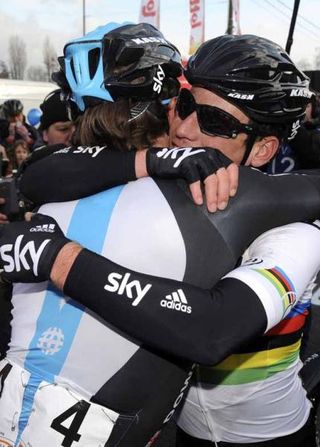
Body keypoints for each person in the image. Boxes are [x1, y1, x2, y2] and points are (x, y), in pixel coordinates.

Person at [1, 29, 320, 447]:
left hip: (267, 437)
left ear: (262, 150)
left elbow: (214, 330)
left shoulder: (293, 232)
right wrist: (152, 158)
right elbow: (42, 173)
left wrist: (61, 260)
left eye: (215, 120)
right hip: (182, 431)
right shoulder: (154, 180)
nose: (185, 129)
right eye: (184, 105)